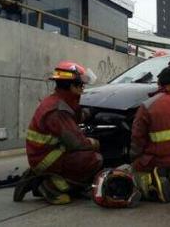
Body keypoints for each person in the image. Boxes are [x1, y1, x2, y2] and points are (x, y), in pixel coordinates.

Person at [14, 61, 103, 205]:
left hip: (43, 154)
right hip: (46, 158)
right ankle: (49, 187)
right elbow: (76, 143)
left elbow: (75, 115)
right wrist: (94, 143)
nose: (83, 88)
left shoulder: (60, 100)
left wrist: (92, 112)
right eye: (80, 85)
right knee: (94, 159)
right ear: (72, 86)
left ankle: (38, 176)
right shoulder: (58, 110)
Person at [130, 65, 170, 202]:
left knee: (133, 169)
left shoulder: (147, 105)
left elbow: (137, 138)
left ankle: (152, 183)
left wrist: (134, 158)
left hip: (155, 160)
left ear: (159, 84)